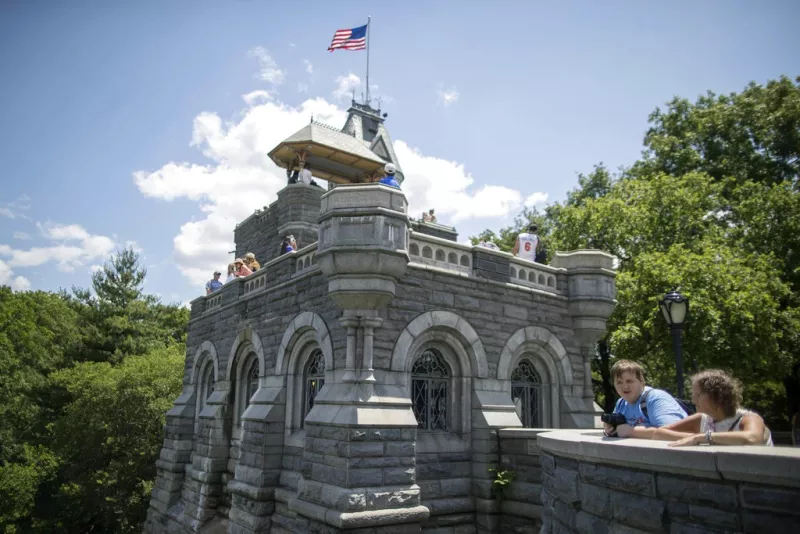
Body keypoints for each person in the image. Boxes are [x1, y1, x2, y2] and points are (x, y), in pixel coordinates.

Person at [643, 370, 773, 446]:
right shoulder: (703, 419)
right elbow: (659, 433)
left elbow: (753, 439)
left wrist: (703, 437)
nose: (693, 400)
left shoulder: (747, 418)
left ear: (716, 395)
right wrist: (697, 437)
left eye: (698, 395)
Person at [604, 360, 687, 438]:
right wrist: (610, 429)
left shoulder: (655, 398)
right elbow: (619, 429)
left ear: (641, 381)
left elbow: (675, 433)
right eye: (619, 382)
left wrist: (632, 431)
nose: (625, 386)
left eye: (629, 381)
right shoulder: (621, 403)